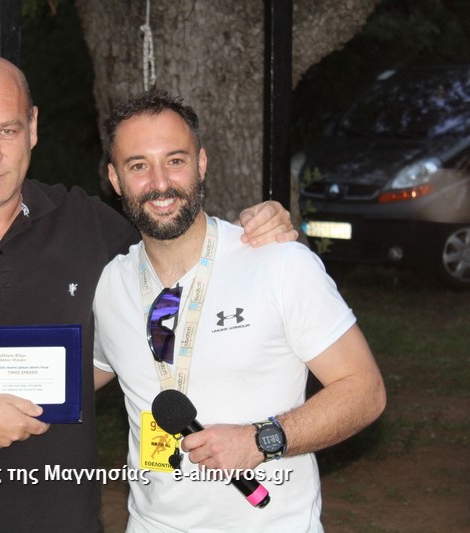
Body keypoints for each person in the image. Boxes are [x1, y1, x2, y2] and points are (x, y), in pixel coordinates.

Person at [0, 53, 297, 532]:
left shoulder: (89, 225)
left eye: (7, 130)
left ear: (33, 127)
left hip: (62, 518)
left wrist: (254, 229)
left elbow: (182, 249)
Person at [93, 90, 386, 532]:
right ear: (115, 179)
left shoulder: (278, 263)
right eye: (138, 166)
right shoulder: (110, 285)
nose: (160, 183)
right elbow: (77, 376)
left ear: (201, 163)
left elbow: (365, 390)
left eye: (175, 160)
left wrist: (261, 440)